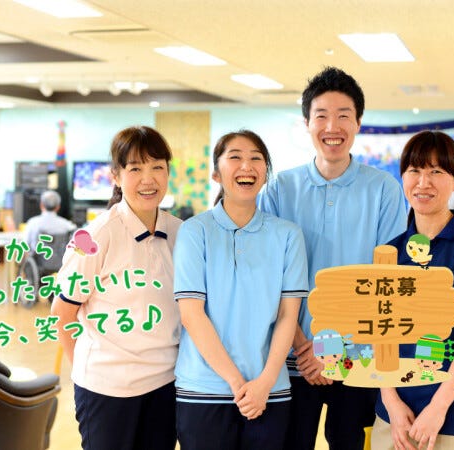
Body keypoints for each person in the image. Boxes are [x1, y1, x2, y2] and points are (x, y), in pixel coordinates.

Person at [257, 66, 407, 449]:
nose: (332, 127)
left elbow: (385, 281)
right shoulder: (279, 189)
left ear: (358, 123)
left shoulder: (384, 190)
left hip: (358, 358)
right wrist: (303, 346)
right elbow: (267, 277)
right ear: (307, 123)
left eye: (343, 116)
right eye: (321, 116)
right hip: (292, 357)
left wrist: (333, 352)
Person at [173, 130, 308, 450]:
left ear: (265, 174)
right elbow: (192, 315)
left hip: (270, 391)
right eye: (235, 157)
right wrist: (237, 383)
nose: (246, 166)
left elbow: (288, 316)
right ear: (216, 174)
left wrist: (264, 384)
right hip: (203, 390)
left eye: (256, 159)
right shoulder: (194, 231)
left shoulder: (288, 235)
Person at [51, 126, 181, 450]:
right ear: (116, 176)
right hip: (106, 389)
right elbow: (62, 312)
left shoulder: (181, 233)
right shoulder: (96, 235)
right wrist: (85, 372)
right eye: (135, 169)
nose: (148, 179)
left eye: (157, 167)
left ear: (168, 172)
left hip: (165, 385)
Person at [372, 130, 454, 450]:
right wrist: (391, 403)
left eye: (436, 171)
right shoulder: (389, 253)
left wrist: (438, 408)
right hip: (394, 419)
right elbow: (378, 334)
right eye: (414, 170)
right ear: (402, 177)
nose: (423, 182)